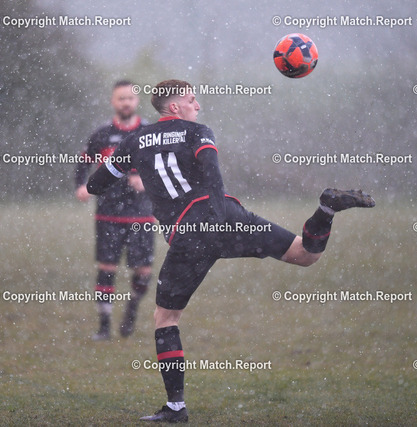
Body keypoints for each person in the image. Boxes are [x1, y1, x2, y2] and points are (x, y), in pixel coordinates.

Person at [86, 79, 375, 422]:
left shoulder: (134, 140)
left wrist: (129, 168)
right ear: (174, 106)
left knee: (165, 318)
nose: (198, 105)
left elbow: (95, 185)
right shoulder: (198, 132)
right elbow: (212, 173)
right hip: (226, 216)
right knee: (305, 254)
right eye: (192, 100)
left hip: (189, 232)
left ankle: (175, 407)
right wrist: (218, 217)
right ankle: (325, 209)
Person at [75, 80, 156, 341]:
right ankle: (104, 326)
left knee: (143, 272)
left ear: (137, 101)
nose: (126, 103)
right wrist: (81, 186)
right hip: (108, 213)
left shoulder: (149, 133)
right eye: (121, 98)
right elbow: (83, 163)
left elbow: (164, 167)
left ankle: (132, 307)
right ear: (113, 101)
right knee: (107, 267)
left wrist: (147, 181)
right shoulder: (101, 135)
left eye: (130, 98)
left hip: (141, 214)